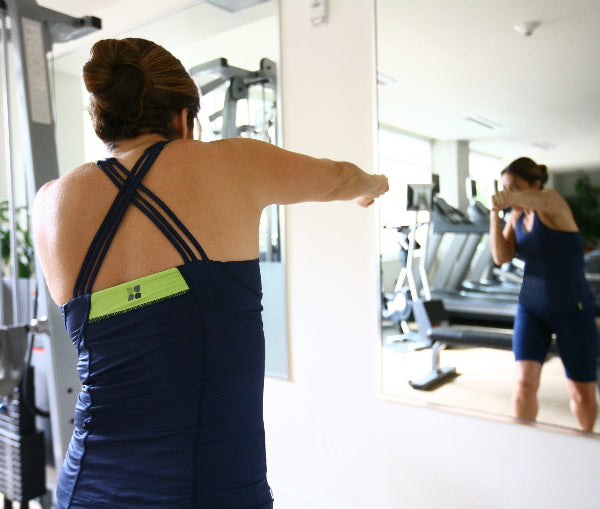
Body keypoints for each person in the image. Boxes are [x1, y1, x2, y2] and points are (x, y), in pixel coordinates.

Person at [31, 38, 389, 509]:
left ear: (105, 120)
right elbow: (339, 176)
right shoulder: (231, 162)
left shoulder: (51, 203)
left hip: (85, 486)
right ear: (183, 118)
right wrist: (372, 185)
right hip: (210, 489)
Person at [490, 156, 598, 431]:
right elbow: (501, 256)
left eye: (514, 186)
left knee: (581, 391)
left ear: (535, 184)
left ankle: (586, 445)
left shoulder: (551, 202)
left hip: (573, 309)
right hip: (531, 307)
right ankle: (524, 445)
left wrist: (512, 198)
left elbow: (538, 201)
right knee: (523, 384)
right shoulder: (515, 216)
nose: (509, 193)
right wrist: (494, 213)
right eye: (505, 187)